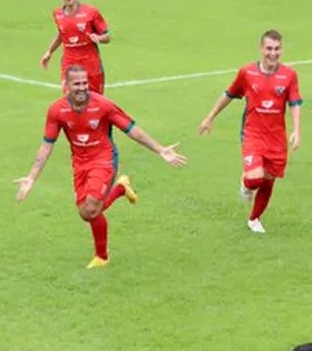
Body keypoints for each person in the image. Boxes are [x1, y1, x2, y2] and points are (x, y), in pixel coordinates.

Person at [15, 65, 186, 268]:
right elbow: (47, 145)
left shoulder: (103, 106)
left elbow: (131, 130)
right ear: (66, 85)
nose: (82, 88)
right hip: (80, 163)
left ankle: (102, 257)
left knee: (91, 209)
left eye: (85, 83)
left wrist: (160, 150)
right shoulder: (57, 110)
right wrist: (31, 177)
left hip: (104, 160)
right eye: (76, 84)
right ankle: (121, 188)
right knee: (86, 213)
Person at [197, 30, 302, 234]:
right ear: (261, 49)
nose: (273, 53)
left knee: (268, 180)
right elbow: (229, 94)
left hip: (276, 139)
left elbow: (295, 103)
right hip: (252, 134)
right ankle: (246, 185)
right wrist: (210, 117)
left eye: (277, 49)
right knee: (255, 179)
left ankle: (254, 219)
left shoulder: (289, 75)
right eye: (269, 48)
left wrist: (297, 131)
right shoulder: (247, 73)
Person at [40, 0, 110, 94]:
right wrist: (49, 52)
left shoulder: (91, 12)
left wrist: (99, 38)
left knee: (95, 98)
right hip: (69, 60)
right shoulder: (57, 14)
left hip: (90, 61)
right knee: (70, 96)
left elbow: (107, 36)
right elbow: (62, 34)